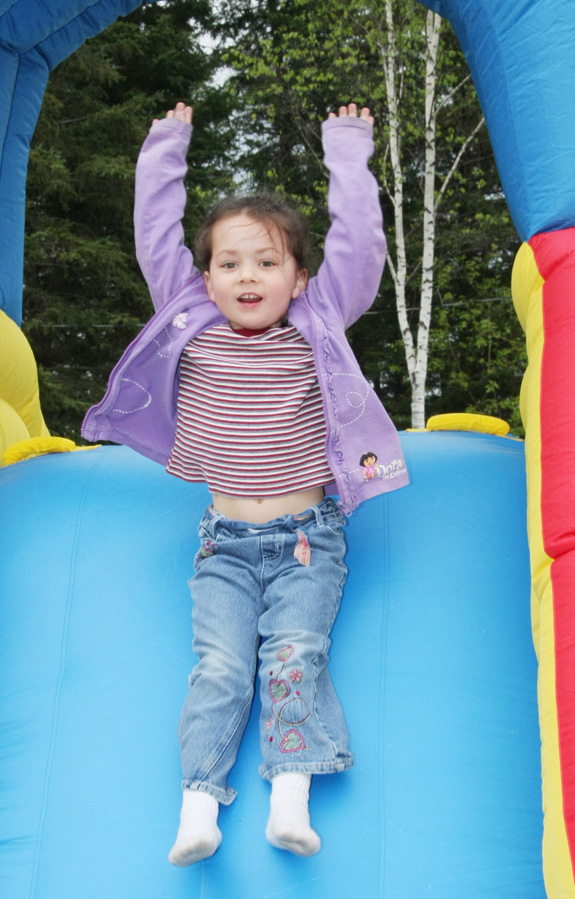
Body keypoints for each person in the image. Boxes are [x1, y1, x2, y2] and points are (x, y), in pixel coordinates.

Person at [82, 100, 409, 867]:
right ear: (204, 278)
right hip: (224, 542)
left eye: (266, 262)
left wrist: (347, 151)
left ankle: (289, 796)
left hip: (306, 539)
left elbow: (360, 248)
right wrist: (165, 149)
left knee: (294, 653)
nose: (247, 276)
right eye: (229, 263)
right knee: (222, 667)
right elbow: (153, 235)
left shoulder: (317, 317)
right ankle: (199, 804)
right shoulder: (187, 317)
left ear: (299, 276)